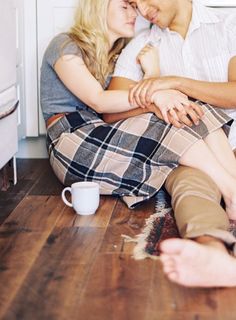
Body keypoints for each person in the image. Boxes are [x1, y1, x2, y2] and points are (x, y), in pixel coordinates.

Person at [104, 0, 236, 287]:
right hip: (190, 154)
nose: (141, 9)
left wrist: (174, 83)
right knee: (190, 185)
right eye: (134, 4)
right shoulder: (142, 46)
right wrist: (154, 99)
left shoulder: (229, 27)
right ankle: (213, 255)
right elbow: (111, 111)